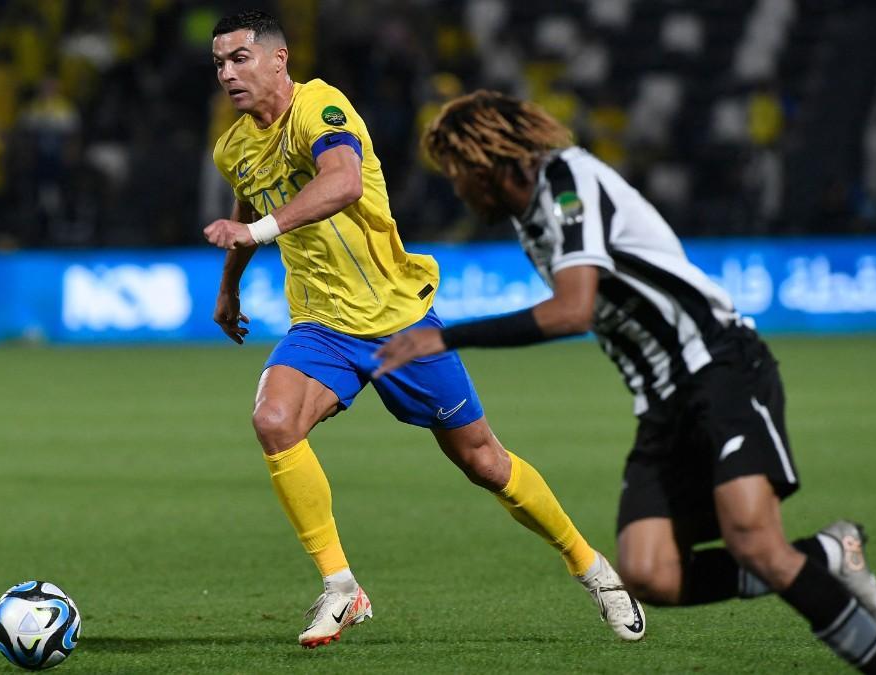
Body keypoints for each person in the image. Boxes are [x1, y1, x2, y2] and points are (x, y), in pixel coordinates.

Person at [374, 90, 876, 673]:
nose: (456, 188)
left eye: (458, 173)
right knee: (649, 572)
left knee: (755, 542)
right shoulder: (529, 221)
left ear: (484, 161)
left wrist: (448, 336)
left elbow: (574, 310)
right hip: (661, 401)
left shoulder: (567, 182)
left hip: (718, 368)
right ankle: (830, 553)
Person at [202, 12, 644, 649]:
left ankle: (593, 569)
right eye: (218, 63)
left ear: (279, 59)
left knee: (485, 462)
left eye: (239, 58)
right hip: (323, 325)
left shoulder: (323, 109)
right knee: (273, 419)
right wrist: (229, 285)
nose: (227, 73)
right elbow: (248, 200)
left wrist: (257, 233)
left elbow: (343, 182)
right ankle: (341, 587)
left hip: (397, 320)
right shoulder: (233, 146)